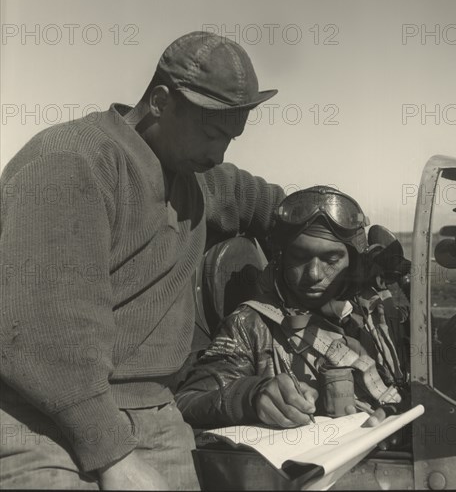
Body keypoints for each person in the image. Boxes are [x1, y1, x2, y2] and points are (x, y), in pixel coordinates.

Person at [0, 31, 285, 490]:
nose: (219, 154)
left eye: (231, 138)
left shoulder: (193, 174)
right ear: (159, 101)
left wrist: (344, 229)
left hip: (155, 414)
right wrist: (115, 458)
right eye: (212, 133)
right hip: (43, 418)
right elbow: (44, 335)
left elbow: (264, 201)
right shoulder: (72, 163)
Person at [175, 186, 410, 431]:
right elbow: (187, 400)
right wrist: (251, 396)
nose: (314, 274)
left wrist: (399, 408)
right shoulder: (250, 325)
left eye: (331, 260)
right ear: (281, 257)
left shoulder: (368, 311)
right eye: (299, 256)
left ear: (352, 264)